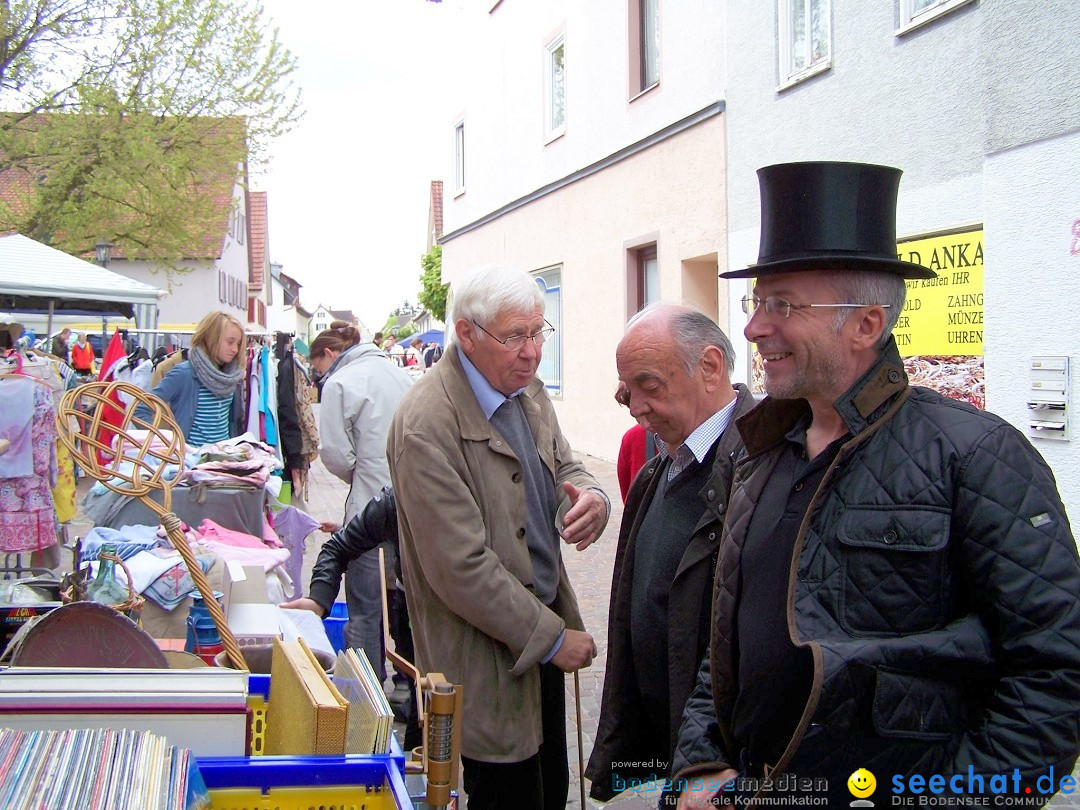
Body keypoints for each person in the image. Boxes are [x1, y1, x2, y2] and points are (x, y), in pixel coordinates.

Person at [671, 161, 1080, 809]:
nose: (752, 327)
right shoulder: (755, 451)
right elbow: (726, 636)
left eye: (782, 305)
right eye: (757, 302)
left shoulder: (976, 456)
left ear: (865, 325)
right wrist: (700, 759)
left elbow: (1056, 675)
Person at [387, 265, 610, 810]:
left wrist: (591, 495)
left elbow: (566, 464)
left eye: (539, 332)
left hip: (539, 633)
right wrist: (555, 639)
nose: (532, 352)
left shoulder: (526, 391)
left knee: (550, 786)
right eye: (514, 337)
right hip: (486, 652)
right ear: (466, 334)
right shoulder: (426, 424)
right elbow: (460, 566)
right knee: (509, 791)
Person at [585, 304, 756, 801]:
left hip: (717, 762)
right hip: (665, 742)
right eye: (627, 392)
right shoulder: (658, 469)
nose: (635, 407)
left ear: (709, 368)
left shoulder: (765, 469)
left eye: (649, 386)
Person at [308, 320, 412, 683]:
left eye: (317, 365)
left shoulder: (339, 383)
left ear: (331, 354)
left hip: (369, 508)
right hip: (411, 504)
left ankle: (371, 693)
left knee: (366, 611)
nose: (317, 374)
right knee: (405, 603)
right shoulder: (400, 375)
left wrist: (363, 471)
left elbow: (336, 455)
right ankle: (406, 685)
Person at [280, 485, 422, 750]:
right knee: (421, 705)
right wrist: (319, 599)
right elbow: (337, 548)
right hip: (415, 617)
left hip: (468, 623)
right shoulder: (397, 499)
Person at [137, 311, 245, 445]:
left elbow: (230, 422)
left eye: (238, 344)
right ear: (212, 338)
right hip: (190, 461)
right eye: (230, 342)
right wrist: (163, 441)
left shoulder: (231, 377)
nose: (235, 349)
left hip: (222, 459)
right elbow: (139, 410)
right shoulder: (184, 373)